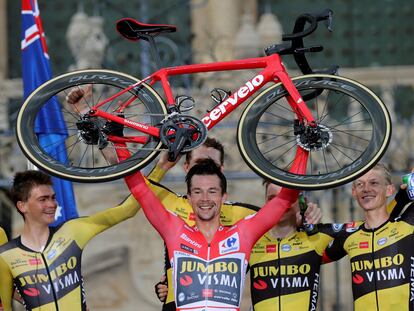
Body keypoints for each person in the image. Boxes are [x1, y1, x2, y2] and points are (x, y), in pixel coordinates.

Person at [125, 158, 300, 311]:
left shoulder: (243, 233)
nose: (205, 199)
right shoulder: (175, 230)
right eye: (197, 192)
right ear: (189, 197)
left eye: (212, 191)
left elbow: (286, 197)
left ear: (224, 197)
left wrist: (303, 147)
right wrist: (117, 142)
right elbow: (140, 188)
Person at [0, 170, 140, 311]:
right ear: (22, 206)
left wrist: (160, 168)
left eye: (53, 198)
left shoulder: (72, 231)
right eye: (43, 199)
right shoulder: (6, 255)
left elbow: (127, 210)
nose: (52, 204)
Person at [323, 163, 414, 310]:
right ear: (354, 192)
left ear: (389, 190)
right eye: (360, 184)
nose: (366, 189)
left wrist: (404, 194)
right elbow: (309, 256)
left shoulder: (408, 224)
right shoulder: (349, 235)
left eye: (374, 183)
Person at [249, 182, 343, 311]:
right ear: (265, 202)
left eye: (287, 197)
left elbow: (361, 231)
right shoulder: (251, 240)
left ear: (302, 201)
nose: (279, 203)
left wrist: (311, 220)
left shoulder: (315, 237)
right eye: (272, 198)